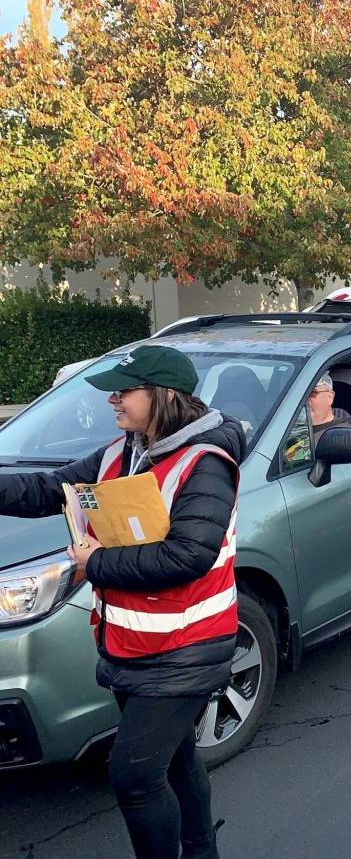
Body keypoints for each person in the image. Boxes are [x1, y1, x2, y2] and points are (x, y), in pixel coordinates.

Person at [0, 345, 245, 859]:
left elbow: (188, 557)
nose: (112, 400)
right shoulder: (123, 451)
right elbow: (50, 488)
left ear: (164, 396)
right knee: (175, 761)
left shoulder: (206, 463)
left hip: (186, 648)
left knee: (133, 776)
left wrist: (95, 564)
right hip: (131, 644)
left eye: (123, 391)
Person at [308, 371, 351, 448]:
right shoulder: (287, 428)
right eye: (301, 396)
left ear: (330, 397)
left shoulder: (344, 435)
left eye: (312, 393)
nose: (305, 400)